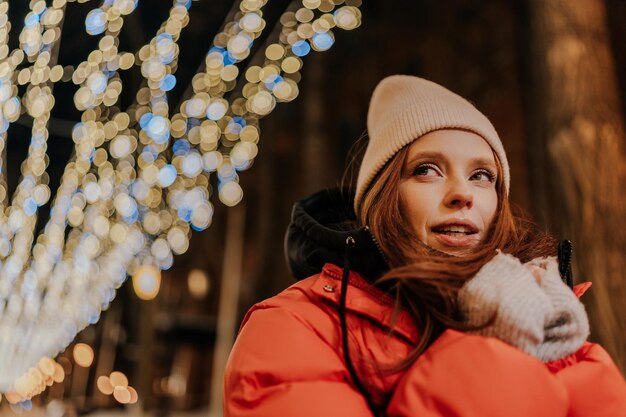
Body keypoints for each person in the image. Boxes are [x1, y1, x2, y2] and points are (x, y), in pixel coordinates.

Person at [223, 75, 626, 417]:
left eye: (482, 175)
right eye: (427, 170)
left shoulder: (551, 319)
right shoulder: (295, 326)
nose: (462, 194)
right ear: (382, 197)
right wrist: (490, 339)